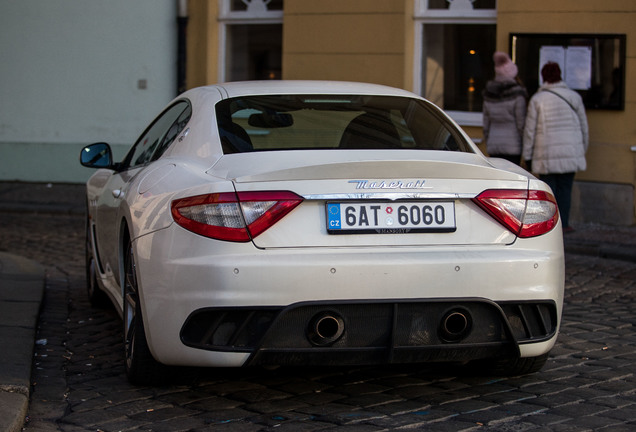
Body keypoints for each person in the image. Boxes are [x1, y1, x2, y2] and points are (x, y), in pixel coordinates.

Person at [522, 62, 589, 232]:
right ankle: (564, 224)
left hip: (546, 154)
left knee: (548, 193)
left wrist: (527, 156)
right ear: (560, 75)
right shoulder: (574, 97)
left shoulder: (537, 100)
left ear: (543, 77)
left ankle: (551, 227)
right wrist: (581, 149)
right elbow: (584, 127)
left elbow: (529, 131)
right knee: (566, 190)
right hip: (569, 152)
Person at [482, 52, 528, 165]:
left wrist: (489, 141)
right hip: (513, 146)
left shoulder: (489, 94)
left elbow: (486, 124)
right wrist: (525, 145)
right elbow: (521, 124)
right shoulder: (518, 95)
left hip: (494, 144)